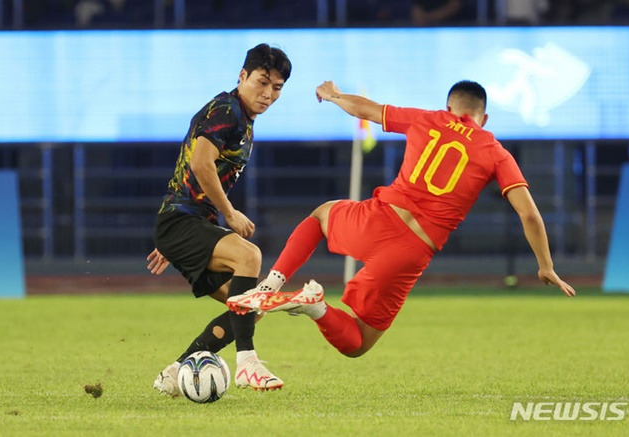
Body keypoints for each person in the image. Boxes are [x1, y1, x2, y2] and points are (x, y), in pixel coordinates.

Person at [227, 79, 576, 358]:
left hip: (378, 218)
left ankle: (271, 282)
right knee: (358, 343)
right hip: (411, 250)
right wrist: (545, 265)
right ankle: (315, 307)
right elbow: (528, 213)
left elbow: (367, 109)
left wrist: (334, 96)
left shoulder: (429, 119)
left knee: (320, 217)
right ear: (484, 118)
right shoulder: (495, 151)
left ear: (449, 108)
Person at [147, 43, 292, 394]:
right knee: (249, 255)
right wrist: (228, 214)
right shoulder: (227, 109)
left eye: (276, 88)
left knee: (251, 309)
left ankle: (177, 372)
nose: (268, 94)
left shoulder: (244, 120)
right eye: (261, 82)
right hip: (182, 222)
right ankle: (247, 364)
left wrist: (185, 242)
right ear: (242, 76)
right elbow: (199, 164)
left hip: (187, 226)